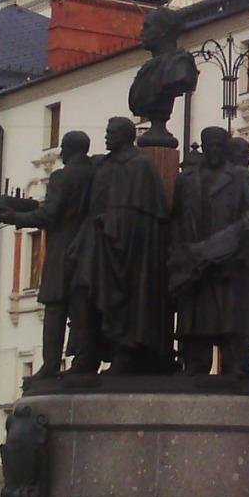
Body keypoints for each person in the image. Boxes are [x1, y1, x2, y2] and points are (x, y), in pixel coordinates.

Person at [66, 116, 173, 375]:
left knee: (124, 301)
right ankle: (86, 354)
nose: (106, 137)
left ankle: (123, 354)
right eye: (107, 132)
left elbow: (150, 213)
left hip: (128, 249)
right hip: (96, 241)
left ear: (126, 135)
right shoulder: (102, 164)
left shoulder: (141, 165)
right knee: (83, 293)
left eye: (112, 132)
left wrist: (115, 221)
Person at [169, 126, 249, 377]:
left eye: (218, 145)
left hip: (230, 260)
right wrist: (183, 252)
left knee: (231, 318)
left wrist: (232, 236)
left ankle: (239, 363)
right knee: (197, 320)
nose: (213, 150)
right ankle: (195, 364)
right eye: (209, 146)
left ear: (225, 148)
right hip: (197, 262)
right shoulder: (186, 180)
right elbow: (176, 218)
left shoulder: (239, 177)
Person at [0, 131, 95, 378]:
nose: (61, 152)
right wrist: (30, 206)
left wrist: (14, 217)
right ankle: (85, 361)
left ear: (69, 149)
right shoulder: (96, 174)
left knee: (55, 309)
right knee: (82, 310)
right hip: (89, 251)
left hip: (62, 250)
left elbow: (50, 215)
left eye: (63, 147)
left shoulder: (62, 176)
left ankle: (50, 364)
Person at [128, 7, 199, 148]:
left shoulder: (180, 64)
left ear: (163, 31)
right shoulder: (148, 68)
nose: (142, 33)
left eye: (147, 27)